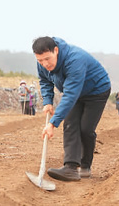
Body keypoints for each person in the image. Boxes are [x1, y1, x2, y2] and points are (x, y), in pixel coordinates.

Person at [33, 36, 111, 181]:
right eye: (40, 60)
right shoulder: (42, 63)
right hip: (75, 91)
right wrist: (48, 101)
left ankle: (85, 165)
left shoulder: (75, 60)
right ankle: (70, 168)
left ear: (56, 50)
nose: (45, 64)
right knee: (70, 124)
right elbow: (44, 80)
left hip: (96, 90)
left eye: (47, 59)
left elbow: (70, 95)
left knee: (86, 129)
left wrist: (52, 124)